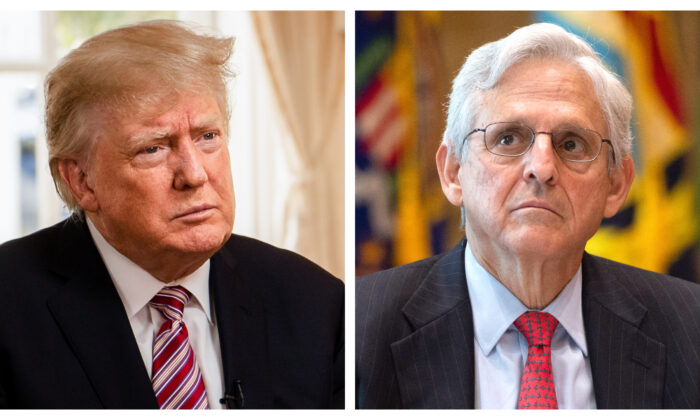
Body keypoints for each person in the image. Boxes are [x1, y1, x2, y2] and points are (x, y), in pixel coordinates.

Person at [0, 20, 343, 409]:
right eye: (153, 149)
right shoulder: (9, 305)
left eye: (207, 136)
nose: (195, 175)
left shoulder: (317, 303)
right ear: (82, 181)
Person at [356, 22, 700, 409]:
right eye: (508, 139)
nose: (542, 167)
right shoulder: (357, 329)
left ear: (617, 184)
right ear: (453, 172)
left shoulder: (690, 329)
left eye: (571, 143)